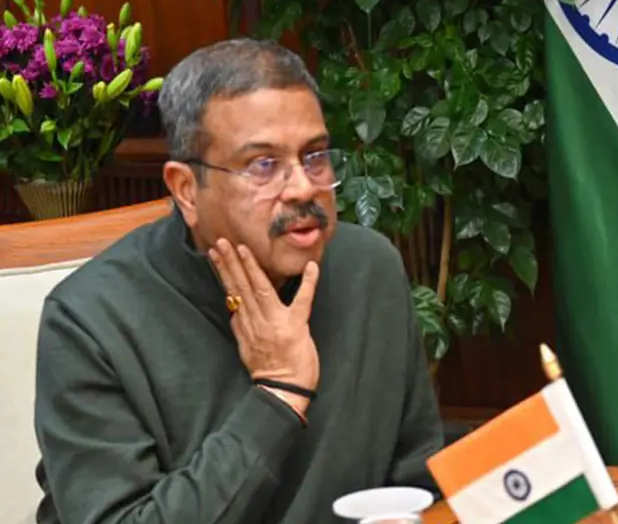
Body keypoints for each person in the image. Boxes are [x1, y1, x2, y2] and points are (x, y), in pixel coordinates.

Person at [32, 39, 444, 523]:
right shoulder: (89, 321)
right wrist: (278, 396)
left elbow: (417, 481)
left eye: (314, 156)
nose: (303, 187)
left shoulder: (367, 268)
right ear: (186, 190)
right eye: (263, 165)